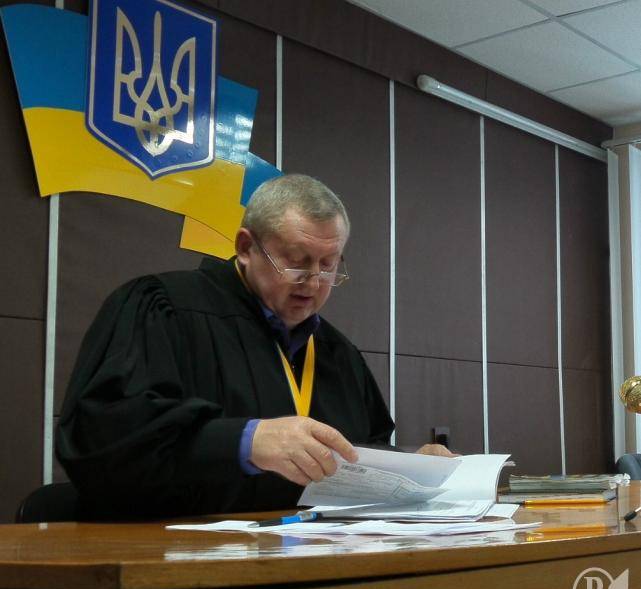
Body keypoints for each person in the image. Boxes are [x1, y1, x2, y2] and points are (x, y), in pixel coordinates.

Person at [56, 174, 451, 519]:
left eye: (328, 265)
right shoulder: (164, 310)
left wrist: (408, 465)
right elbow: (102, 439)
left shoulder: (339, 353)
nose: (313, 282)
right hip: (177, 555)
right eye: (296, 261)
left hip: (312, 558)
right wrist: (245, 442)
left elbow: (358, 453)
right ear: (246, 247)